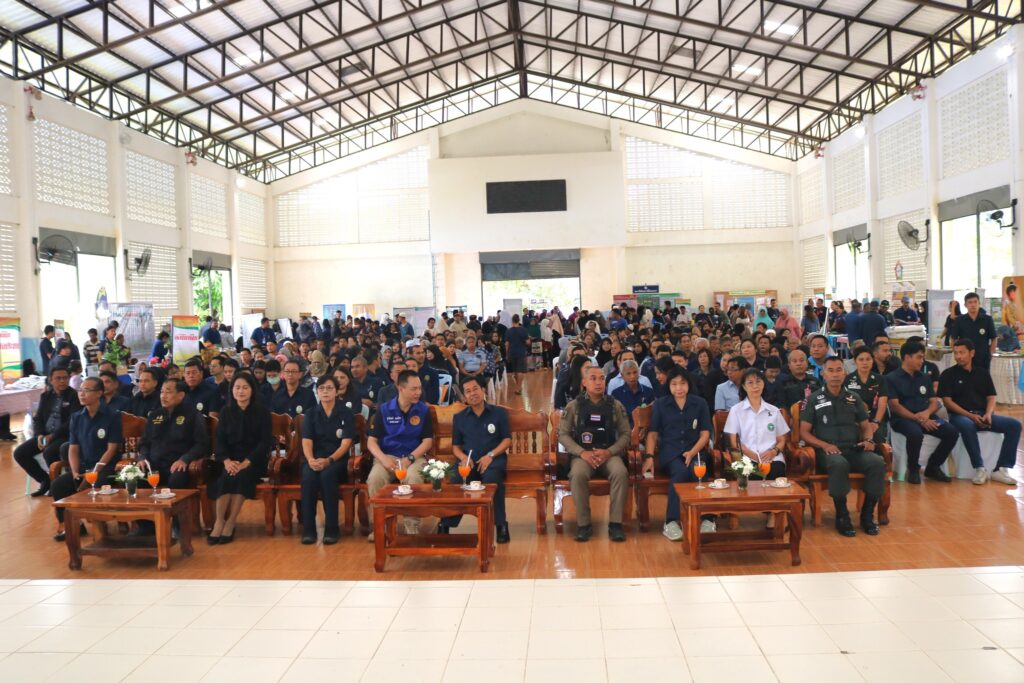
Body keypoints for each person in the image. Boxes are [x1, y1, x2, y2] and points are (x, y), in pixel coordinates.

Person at [800, 357, 886, 537]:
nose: (835, 374)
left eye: (839, 370)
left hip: (853, 449)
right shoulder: (814, 399)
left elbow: (865, 426)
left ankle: (867, 515)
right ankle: (842, 516)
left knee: (877, 462)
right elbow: (804, 432)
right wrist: (824, 445)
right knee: (839, 464)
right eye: (830, 370)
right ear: (823, 374)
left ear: (845, 373)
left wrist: (869, 440)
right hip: (827, 451)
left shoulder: (854, 398)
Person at [557, 365, 631, 543]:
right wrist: (582, 452)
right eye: (593, 378)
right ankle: (584, 525)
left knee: (620, 472)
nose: (599, 382)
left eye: (602, 378)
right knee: (577, 474)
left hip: (609, 454)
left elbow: (626, 434)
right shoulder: (574, 406)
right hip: (583, 455)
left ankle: (615, 524)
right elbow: (563, 434)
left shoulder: (615, 405)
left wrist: (609, 452)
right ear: (584, 382)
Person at [438, 376, 513, 543]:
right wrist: (463, 457)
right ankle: (446, 523)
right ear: (464, 396)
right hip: (469, 461)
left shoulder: (499, 413)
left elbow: (507, 439)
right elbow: (456, 447)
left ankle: (501, 525)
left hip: (493, 459)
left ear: (483, 390)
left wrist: (491, 455)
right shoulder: (460, 418)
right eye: (468, 391)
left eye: (475, 389)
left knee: (493, 480)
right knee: (457, 480)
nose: (472, 394)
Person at [642, 367, 712, 540]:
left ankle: (707, 519)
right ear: (669, 386)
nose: (679, 388)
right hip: (670, 453)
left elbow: (705, 434)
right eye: (674, 384)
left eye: (682, 383)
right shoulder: (661, 404)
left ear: (689, 384)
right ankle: (671, 522)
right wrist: (649, 457)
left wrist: (692, 452)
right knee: (680, 472)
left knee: (698, 471)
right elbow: (652, 434)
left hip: (695, 451)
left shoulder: (700, 403)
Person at [939, 339, 1021, 486]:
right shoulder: (948, 374)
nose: (958, 356)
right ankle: (979, 468)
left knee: (1014, 425)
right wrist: (970, 416)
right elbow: (947, 402)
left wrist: (988, 414)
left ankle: (1001, 468)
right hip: (959, 416)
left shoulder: (982, 373)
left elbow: (991, 396)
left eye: (962, 352)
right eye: (956, 353)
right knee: (967, 425)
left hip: (983, 414)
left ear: (972, 353)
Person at [365, 370, 433, 539]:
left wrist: (410, 459)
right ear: (401, 388)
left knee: (413, 477)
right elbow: (371, 441)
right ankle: (380, 526)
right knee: (375, 478)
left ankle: (412, 525)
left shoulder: (423, 410)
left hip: (414, 456)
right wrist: (383, 459)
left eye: (419, 388)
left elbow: (427, 441)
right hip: (388, 456)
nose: (418, 392)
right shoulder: (384, 410)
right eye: (413, 389)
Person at [207, 373, 274, 544]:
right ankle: (219, 521)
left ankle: (230, 522)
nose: (241, 391)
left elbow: (265, 442)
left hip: (254, 461)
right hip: (230, 460)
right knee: (225, 476)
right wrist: (227, 461)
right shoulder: (226, 411)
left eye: (245, 387)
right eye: (237, 387)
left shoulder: (262, 412)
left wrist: (246, 462)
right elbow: (220, 440)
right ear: (232, 390)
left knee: (241, 476)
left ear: (252, 390)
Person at [887, 340, 959, 484]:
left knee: (951, 432)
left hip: (926, 416)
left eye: (923, 357)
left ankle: (933, 467)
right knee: (915, 433)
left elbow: (934, 401)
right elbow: (895, 406)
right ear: (907, 357)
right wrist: (918, 419)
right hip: (903, 419)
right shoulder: (891, 378)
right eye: (919, 357)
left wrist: (926, 414)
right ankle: (913, 469)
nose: (922, 361)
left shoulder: (924, 378)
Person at [724, 368, 789, 525]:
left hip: (771, 457)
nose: (755, 386)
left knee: (776, 471)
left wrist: (774, 451)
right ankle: (767, 510)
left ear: (764, 384)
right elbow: (732, 441)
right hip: (745, 457)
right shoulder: (736, 410)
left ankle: (774, 514)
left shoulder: (773, 411)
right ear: (744, 387)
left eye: (758, 382)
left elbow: (782, 439)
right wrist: (748, 453)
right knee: (746, 472)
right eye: (750, 383)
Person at [299, 375, 356, 545]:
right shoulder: (311, 413)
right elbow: (306, 441)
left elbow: (346, 444)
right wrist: (311, 460)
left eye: (329, 388)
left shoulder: (346, 413)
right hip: (314, 459)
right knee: (308, 477)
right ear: (317, 391)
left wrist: (329, 460)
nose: (325, 391)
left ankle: (332, 528)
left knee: (327, 475)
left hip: (337, 461)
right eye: (321, 388)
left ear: (337, 391)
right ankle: (308, 529)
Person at [13, 366, 80, 497]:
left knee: (49, 452)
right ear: (51, 380)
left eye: (65, 378)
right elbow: (38, 419)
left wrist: (52, 436)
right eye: (58, 378)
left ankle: (57, 485)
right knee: (19, 453)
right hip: (45, 434)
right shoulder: (46, 396)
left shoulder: (74, 396)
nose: (62, 381)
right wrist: (39, 435)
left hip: (64, 436)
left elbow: (72, 422)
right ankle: (45, 480)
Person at [139, 379, 208, 490]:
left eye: (168, 392)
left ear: (181, 395)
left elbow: (201, 444)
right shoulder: (154, 415)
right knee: (133, 477)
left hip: (177, 465)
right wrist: (142, 458)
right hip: (153, 466)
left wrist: (185, 459)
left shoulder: (192, 414)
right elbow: (144, 442)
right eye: (162, 392)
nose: (163, 396)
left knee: (177, 479)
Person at [844, 347, 889, 444]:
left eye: (868, 359)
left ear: (873, 361)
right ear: (855, 361)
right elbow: (845, 404)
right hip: (854, 420)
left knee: (878, 434)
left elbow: (882, 403)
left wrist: (876, 422)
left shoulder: (880, 379)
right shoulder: (847, 379)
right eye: (861, 359)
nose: (865, 362)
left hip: (875, 418)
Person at [951, 292, 997, 370]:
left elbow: (994, 338)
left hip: (983, 359)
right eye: (970, 302)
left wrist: (991, 354)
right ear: (965, 305)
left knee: (983, 377)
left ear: (979, 303)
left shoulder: (987, 319)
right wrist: (957, 354)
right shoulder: (959, 320)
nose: (973, 305)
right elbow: (953, 339)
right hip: (964, 359)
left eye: (975, 302)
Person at [610, 359, 655, 427]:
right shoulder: (616, 394)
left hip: (646, 428)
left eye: (635, 372)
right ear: (622, 376)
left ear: (639, 373)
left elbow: (653, 414)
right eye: (628, 373)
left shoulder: (648, 391)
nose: (632, 376)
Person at [504, 314, 529, 395]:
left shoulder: (508, 331)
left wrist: (507, 354)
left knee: (515, 371)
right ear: (519, 320)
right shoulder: (523, 330)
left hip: (512, 352)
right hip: (521, 352)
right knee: (520, 370)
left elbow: (507, 344)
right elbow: (528, 342)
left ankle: (519, 387)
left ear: (512, 321)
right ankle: (518, 387)